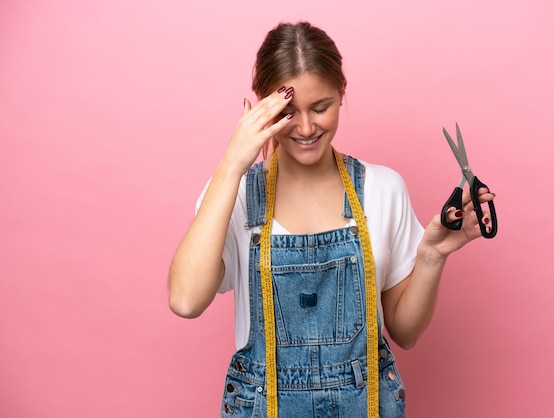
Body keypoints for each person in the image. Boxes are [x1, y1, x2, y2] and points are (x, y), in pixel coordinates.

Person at [168, 21, 495, 417]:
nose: (306, 128)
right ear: (262, 105)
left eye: (320, 108)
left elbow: (405, 333)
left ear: (342, 94)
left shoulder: (382, 189)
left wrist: (431, 255)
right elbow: (185, 300)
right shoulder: (233, 194)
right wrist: (232, 163)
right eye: (288, 113)